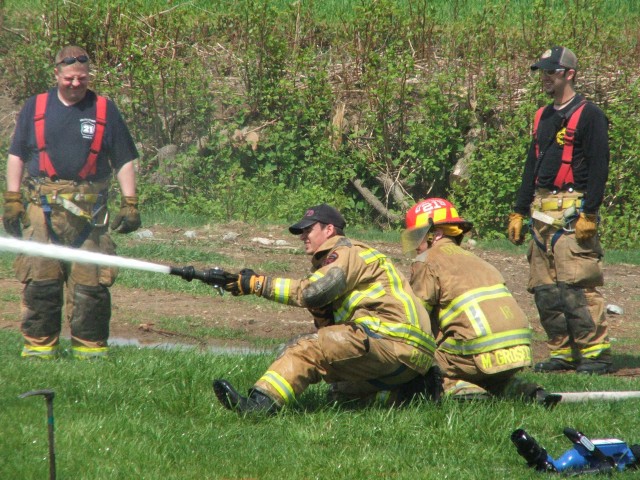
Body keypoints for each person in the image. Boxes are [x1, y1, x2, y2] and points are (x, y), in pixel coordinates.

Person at [213, 203, 438, 414]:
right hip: (413, 358)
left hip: (390, 340)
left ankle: (258, 405)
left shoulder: (346, 252)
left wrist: (256, 284)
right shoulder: (347, 259)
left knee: (307, 348)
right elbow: (331, 324)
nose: (302, 236)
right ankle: (412, 394)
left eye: (308, 230)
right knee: (340, 395)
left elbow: (314, 291)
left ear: (329, 229)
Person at [2, 45, 141, 359]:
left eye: (82, 78)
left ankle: (89, 353)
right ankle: (39, 351)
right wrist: (12, 198)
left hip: (91, 215)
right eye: (69, 78)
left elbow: (124, 161)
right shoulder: (34, 107)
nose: (76, 84)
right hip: (41, 211)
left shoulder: (105, 109)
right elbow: (16, 156)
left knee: (90, 285)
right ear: (57, 75)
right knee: (41, 280)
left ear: (89, 75)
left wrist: (130, 203)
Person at [507, 46, 612, 375]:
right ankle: (561, 352)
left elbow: (599, 167)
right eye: (543, 72)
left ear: (569, 74)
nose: (546, 78)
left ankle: (595, 353)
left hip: (573, 211)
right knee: (545, 289)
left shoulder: (589, 115)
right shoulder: (543, 115)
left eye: (551, 72)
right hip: (541, 212)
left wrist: (590, 214)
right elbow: (531, 165)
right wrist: (518, 210)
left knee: (577, 285)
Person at [403, 198, 560, 407]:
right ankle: (527, 392)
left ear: (436, 234)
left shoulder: (427, 262)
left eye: (417, 236)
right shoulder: (480, 262)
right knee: (494, 378)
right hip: (519, 351)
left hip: (474, 355)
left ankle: (459, 389)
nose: (416, 246)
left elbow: (417, 319)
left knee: (419, 357)